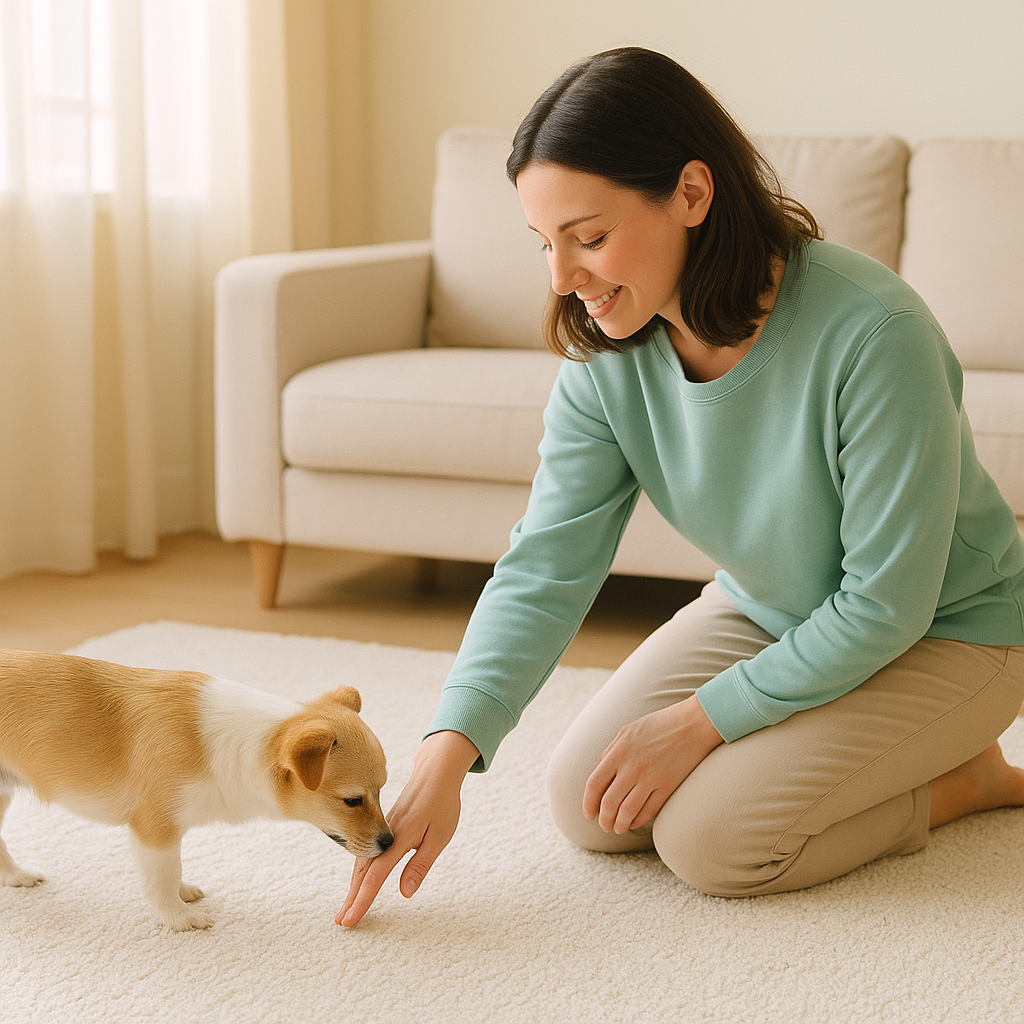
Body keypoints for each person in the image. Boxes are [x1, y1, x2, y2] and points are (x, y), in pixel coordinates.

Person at [337, 47, 1024, 927]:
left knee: (716, 843)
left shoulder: (875, 332)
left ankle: (965, 779)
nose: (561, 278)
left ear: (692, 194)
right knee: (592, 807)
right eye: (546, 244)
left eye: (589, 238)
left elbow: (888, 605)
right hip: (770, 607)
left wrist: (703, 720)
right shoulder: (608, 356)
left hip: (948, 633)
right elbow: (547, 563)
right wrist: (447, 749)